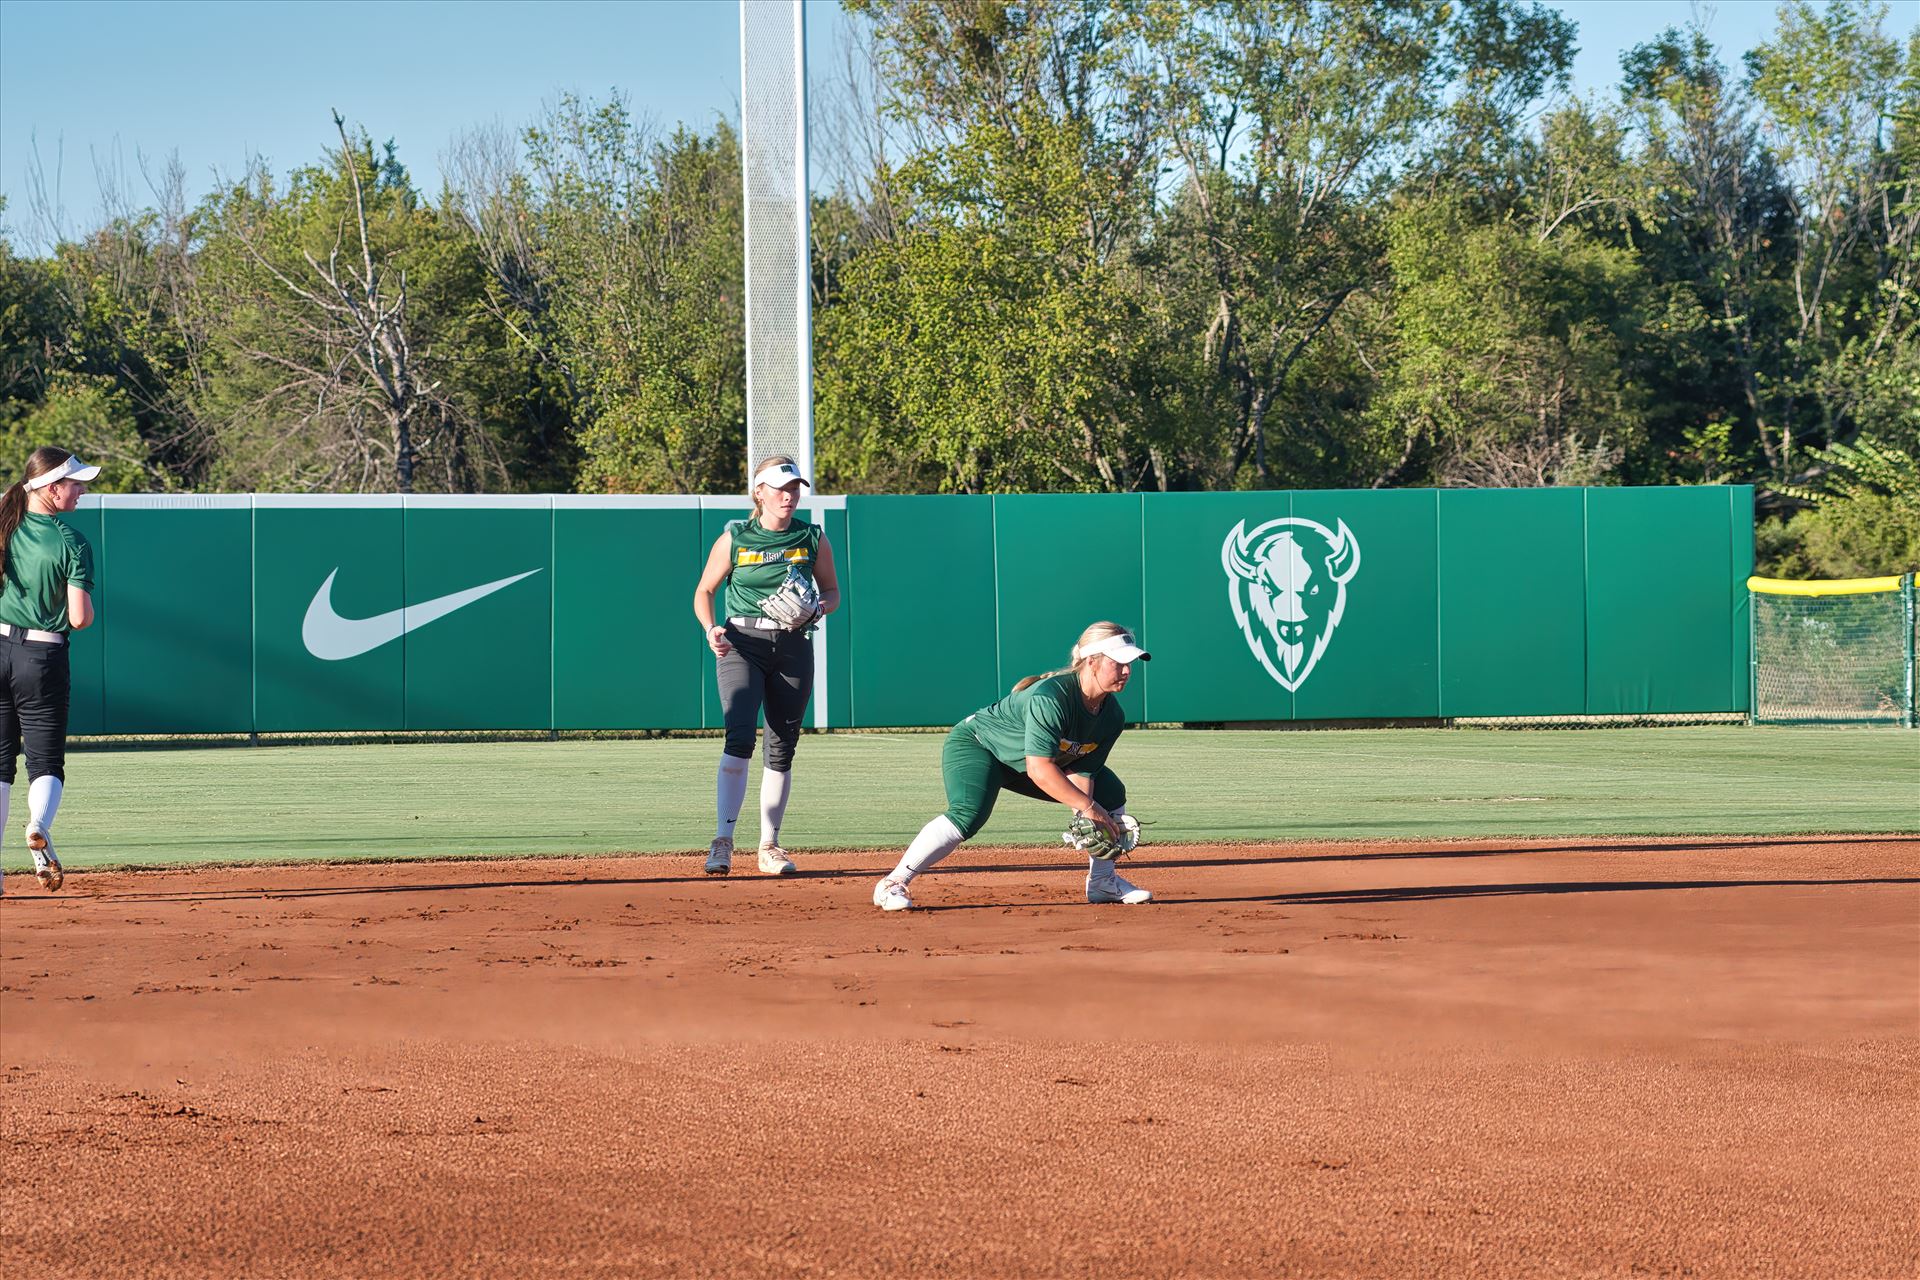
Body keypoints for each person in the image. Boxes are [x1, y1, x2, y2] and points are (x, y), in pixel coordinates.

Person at [873, 620, 1152, 912]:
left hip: (1032, 763)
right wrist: (1087, 809)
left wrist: (1089, 816)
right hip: (980, 746)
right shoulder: (1052, 697)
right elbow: (1040, 770)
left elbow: (1082, 771)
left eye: (1130, 663)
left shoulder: (1112, 717)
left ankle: (1103, 883)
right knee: (969, 814)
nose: (1127, 671)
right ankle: (893, 883)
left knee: (1109, 794)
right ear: (1091, 662)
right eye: (1118, 662)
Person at [691, 456, 840, 876]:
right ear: (759, 492)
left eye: (794, 488)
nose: (789, 495)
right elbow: (704, 590)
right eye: (780, 487)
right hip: (742, 643)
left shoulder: (812, 537)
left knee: (781, 747)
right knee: (739, 736)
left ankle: (769, 846)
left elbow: (832, 590)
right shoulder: (736, 538)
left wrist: (819, 608)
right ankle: (722, 841)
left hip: (793, 644)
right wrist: (710, 628)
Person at [0, 448, 99, 898]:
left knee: (0, 766)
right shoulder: (70, 540)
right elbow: (79, 618)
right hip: (41, 657)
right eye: (75, 483)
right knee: (44, 763)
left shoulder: (5, 522)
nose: (82, 490)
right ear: (51, 487)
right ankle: (38, 826)